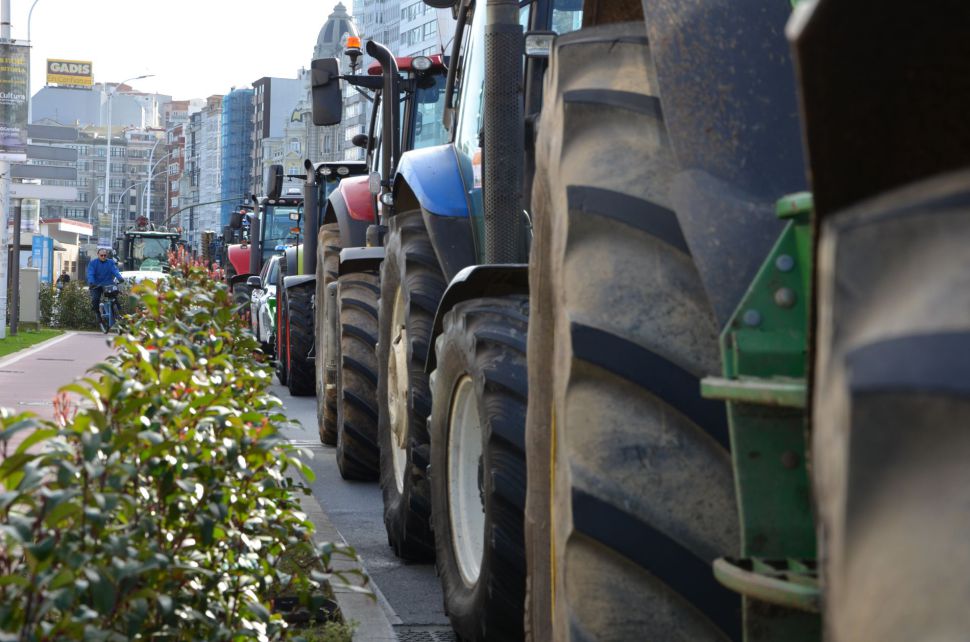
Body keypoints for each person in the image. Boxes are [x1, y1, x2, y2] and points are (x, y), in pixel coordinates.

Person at [87, 248, 123, 329]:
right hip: (96, 285)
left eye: (105, 255)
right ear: (98, 255)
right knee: (95, 299)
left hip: (108, 284)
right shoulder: (93, 263)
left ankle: (118, 314)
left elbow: (115, 270)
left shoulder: (110, 262)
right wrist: (91, 282)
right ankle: (98, 314)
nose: (103, 257)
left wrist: (120, 278)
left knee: (114, 296)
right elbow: (90, 273)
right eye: (101, 255)